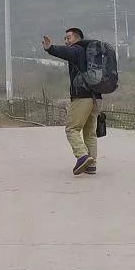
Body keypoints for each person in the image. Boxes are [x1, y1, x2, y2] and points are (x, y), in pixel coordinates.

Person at [43, 28, 103, 176]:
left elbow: (66, 52)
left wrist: (50, 48)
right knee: (90, 133)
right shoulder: (93, 55)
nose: (66, 41)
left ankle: (82, 156)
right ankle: (91, 165)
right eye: (65, 38)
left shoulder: (78, 50)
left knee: (71, 129)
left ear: (77, 38)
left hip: (82, 97)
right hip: (97, 98)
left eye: (68, 38)